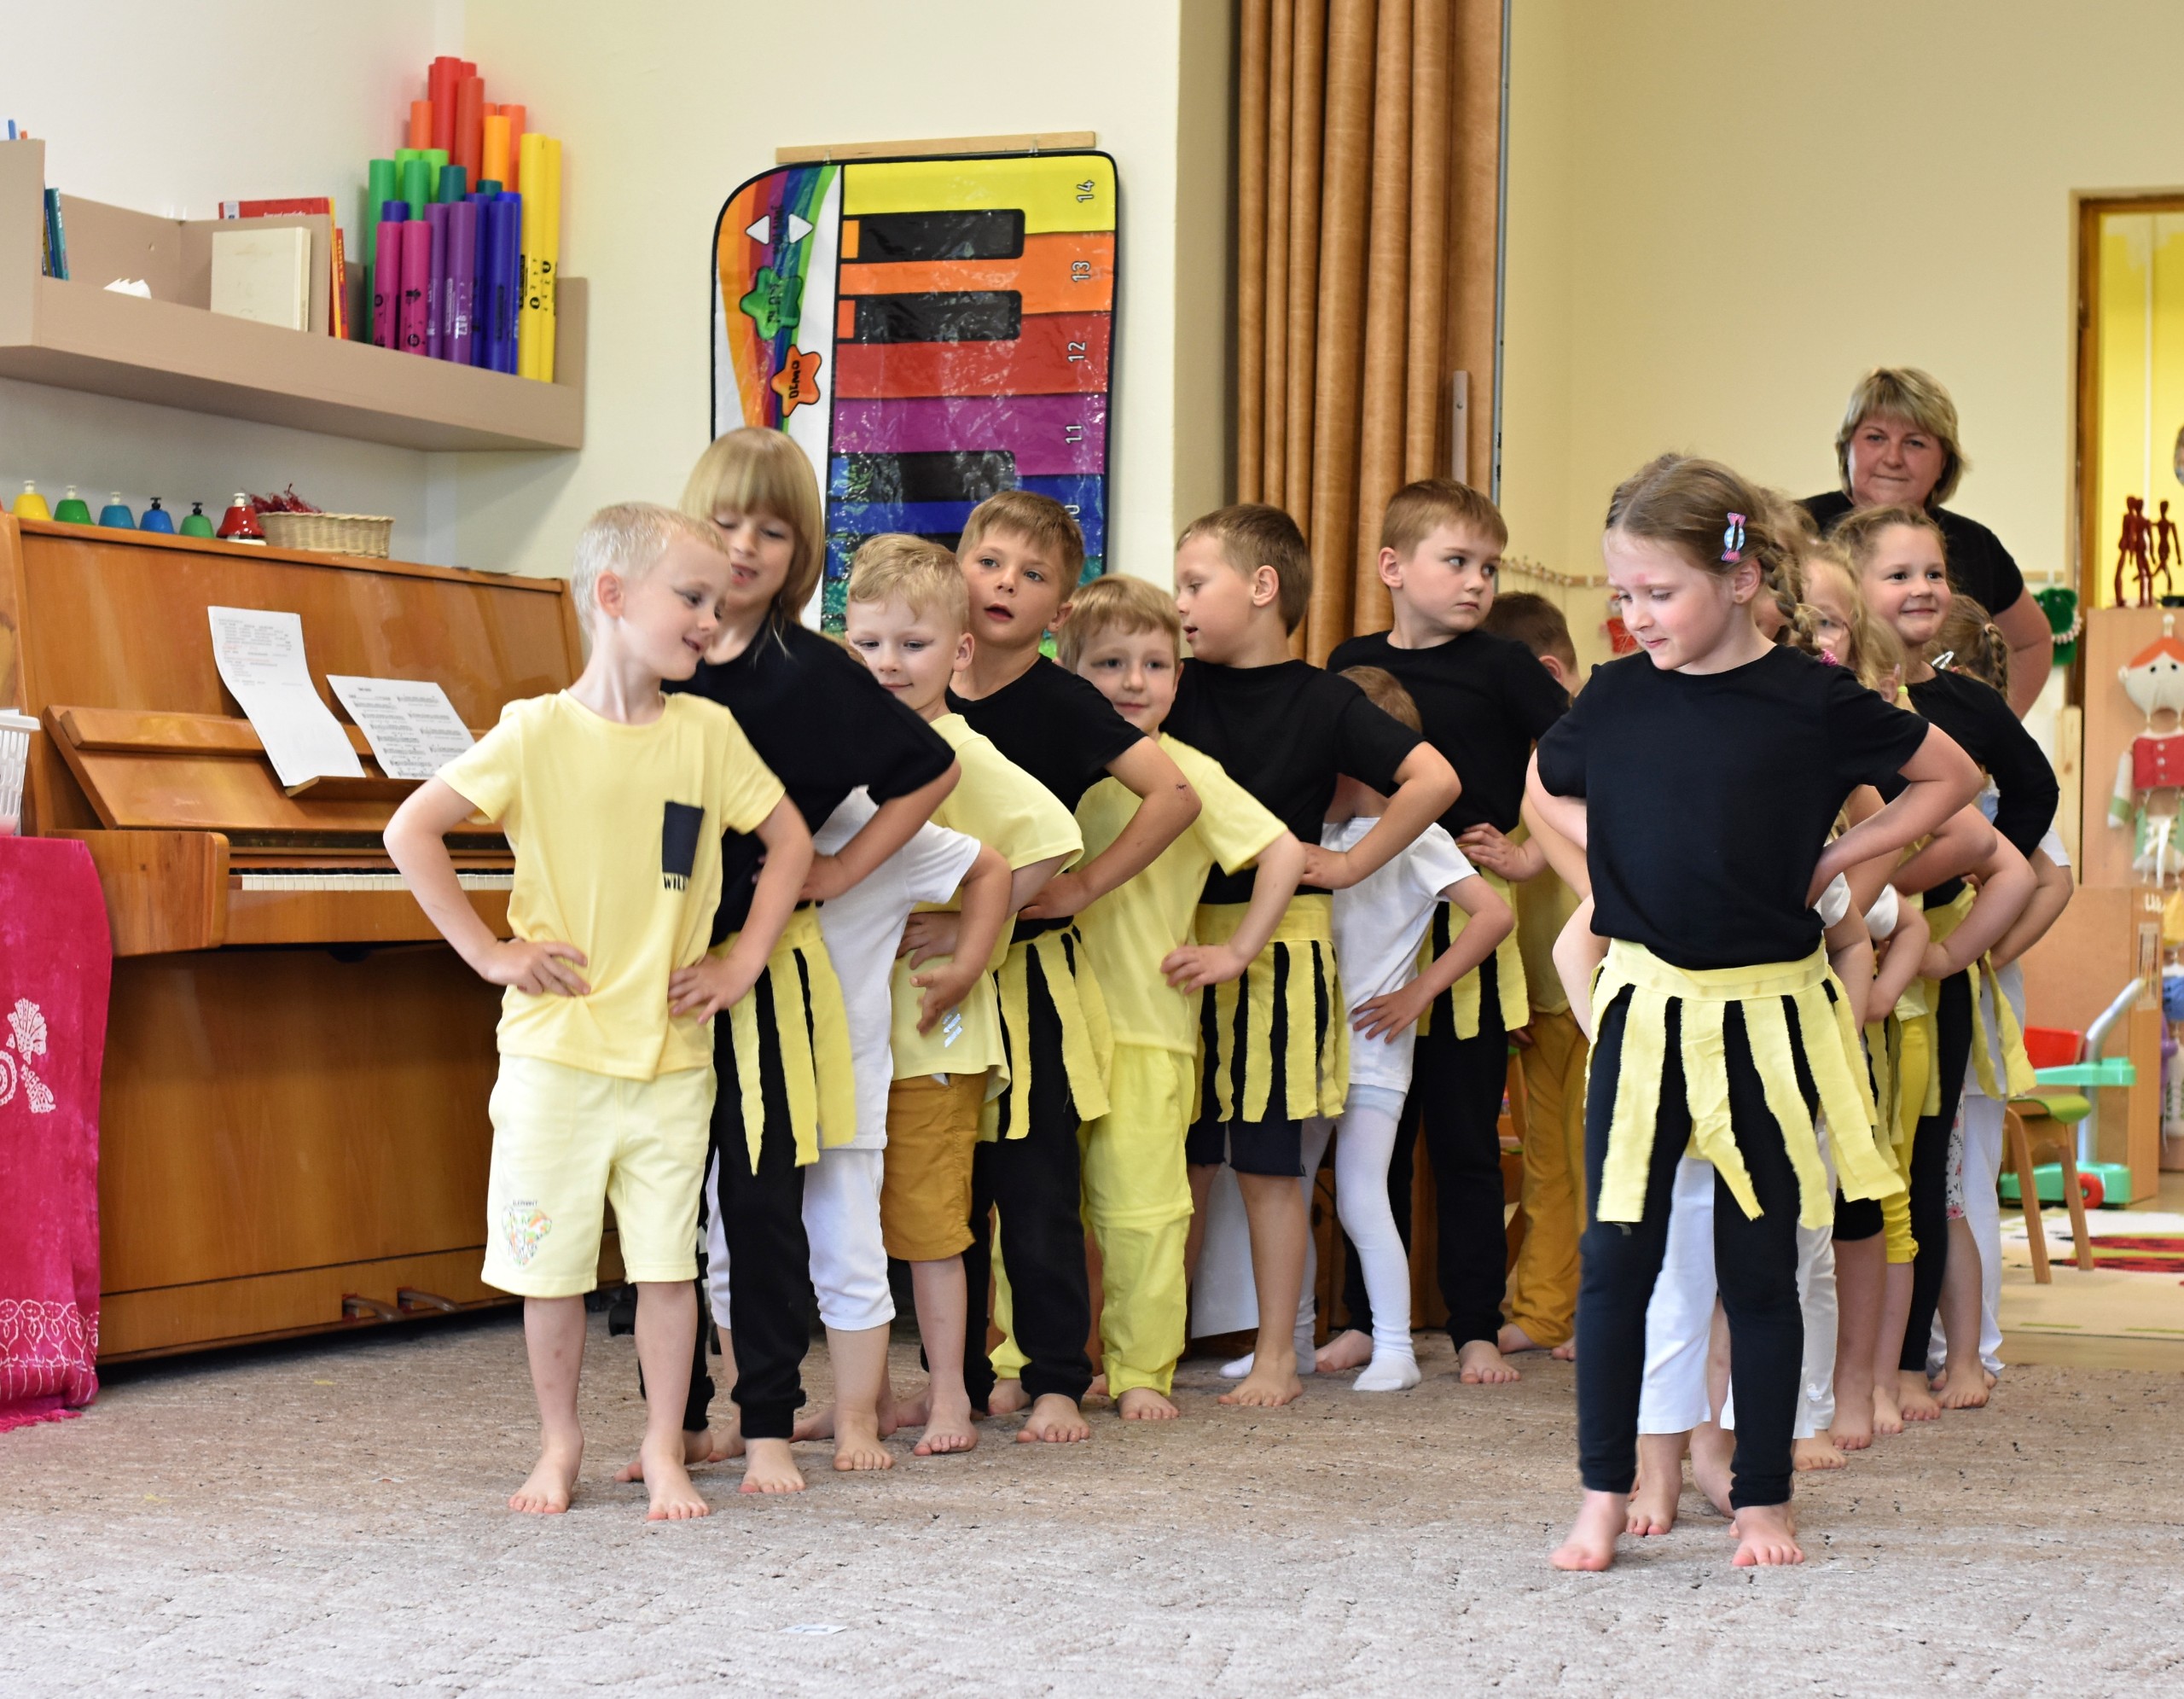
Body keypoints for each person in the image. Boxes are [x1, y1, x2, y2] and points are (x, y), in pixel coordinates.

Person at [1528, 455, 1980, 1571]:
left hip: (1766, 1027)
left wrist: (1840, 854)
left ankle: (1763, 1495)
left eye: (1657, 592)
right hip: (1645, 1018)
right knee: (1614, 1264)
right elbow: (1542, 785)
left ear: (1737, 578)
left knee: (1761, 1268)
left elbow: (1951, 778)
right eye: (1621, 595)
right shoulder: (1616, 694)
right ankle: (1602, 1491)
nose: (1635, 616)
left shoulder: (1811, 698)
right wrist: (1612, 864)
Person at [384, 503, 812, 1521]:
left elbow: (791, 842)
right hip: (556, 1061)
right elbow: (412, 830)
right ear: (613, 596)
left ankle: (664, 1445)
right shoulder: (534, 731)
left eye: (717, 601)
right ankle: (560, 1441)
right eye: (692, 596)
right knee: (552, 1270)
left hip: (670, 1061)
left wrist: (742, 958)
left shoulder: (708, 733)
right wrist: (490, 952)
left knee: (667, 1267)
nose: (711, 617)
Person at [642, 428, 961, 1492]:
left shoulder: (812, 671)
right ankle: (681, 1421)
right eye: (725, 522)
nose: (743, 547)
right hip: (659, 965)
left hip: (764, 969)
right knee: (666, 1205)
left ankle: (768, 1418)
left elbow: (929, 769)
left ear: (802, 551)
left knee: (762, 1203)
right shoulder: (659, 658)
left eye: (772, 532)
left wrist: (840, 869)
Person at [1168, 503, 1460, 1409]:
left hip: (1279, 956)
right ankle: (1150, 1345)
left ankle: (1276, 1356)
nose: (1179, 603)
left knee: (1268, 1162)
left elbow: (1435, 779)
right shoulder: (1173, 685)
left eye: (1194, 583)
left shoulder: (1325, 698)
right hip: (1178, 941)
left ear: (1262, 587)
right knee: (1180, 1160)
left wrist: (1349, 865)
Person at [944, 491, 1202, 1442]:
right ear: (957, 569)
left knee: (1036, 1183)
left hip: (1031, 981)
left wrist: (1084, 883)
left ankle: (1058, 1372)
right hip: (934, 977)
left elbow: (1173, 795)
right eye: (989, 562)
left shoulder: (1064, 701)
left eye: (1031, 574)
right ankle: (957, 1379)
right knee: (945, 1190)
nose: (1004, 583)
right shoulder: (922, 682)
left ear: (1058, 609)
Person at [840, 535, 1080, 1454]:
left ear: (959, 650)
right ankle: (870, 1395)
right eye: (868, 644)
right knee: (858, 1222)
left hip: (932, 1035)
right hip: (862, 1032)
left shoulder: (957, 749)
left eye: (912, 645)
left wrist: (969, 927)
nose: (887, 664)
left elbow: (1052, 837)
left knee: (933, 1226)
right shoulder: (865, 741)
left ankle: (950, 1396)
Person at [1324, 480, 1568, 1385]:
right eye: (1457, 561)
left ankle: (1473, 1323)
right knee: (1370, 1140)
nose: (1477, 582)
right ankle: (1365, 1317)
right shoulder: (1350, 661)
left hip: (1464, 925)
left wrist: (1530, 852)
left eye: (1488, 567)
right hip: (1368, 923)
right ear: (1393, 566)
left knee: (1465, 1138)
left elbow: (1580, 761)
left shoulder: (1506, 665)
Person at [1051, 573, 1306, 1418]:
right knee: (1042, 1207)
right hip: (1052, 1023)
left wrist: (1237, 949)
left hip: (1150, 1029)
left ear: (1178, 676)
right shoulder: (1054, 761)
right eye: (1110, 663)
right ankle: (1034, 1357)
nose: (1134, 681)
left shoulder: (1191, 773)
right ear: (1069, 670)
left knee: (1145, 1213)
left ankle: (1140, 1368)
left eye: (1155, 664)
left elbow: (1280, 852)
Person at [1839, 507, 2047, 1428]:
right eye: (1898, 575)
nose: (1922, 589)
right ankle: (1847, 1366)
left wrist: (1951, 932)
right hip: (1846, 954)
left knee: (1928, 1170)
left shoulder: (1961, 705)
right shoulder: (1842, 699)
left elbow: (2019, 816)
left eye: (1933, 573)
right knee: (1853, 1163)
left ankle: (1909, 1360)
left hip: (1922, 965)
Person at [1313, 665, 1510, 1392]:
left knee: (1362, 1192)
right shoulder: (1322, 832)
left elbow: (1493, 914)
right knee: (1295, 1187)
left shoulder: (1419, 837)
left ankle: (1396, 1346)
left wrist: (1418, 993)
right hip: (1313, 1044)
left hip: (1372, 1043)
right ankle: (1295, 1338)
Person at [1926, 596, 2074, 1407]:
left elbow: (2053, 879)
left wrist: (1989, 949)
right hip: (1948, 973)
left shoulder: (1987, 779)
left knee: (1966, 1169)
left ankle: (1973, 1343)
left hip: (1970, 984)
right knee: (1951, 1168)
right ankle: (1945, 1340)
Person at [1802, 367, 2052, 713]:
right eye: (1875, 438)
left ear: (1944, 462)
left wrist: (1995, 725)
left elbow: (2033, 642)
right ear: (1847, 447)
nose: (1892, 458)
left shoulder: (1976, 545)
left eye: (1914, 443)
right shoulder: (1799, 530)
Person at [1478, 591, 1586, 1362]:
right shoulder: (1511, 767)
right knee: (1546, 1164)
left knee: (1601, 1164)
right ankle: (1546, 1308)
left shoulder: (1584, 753)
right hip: (1542, 1007)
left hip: (1599, 1004)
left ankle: (1604, 1307)